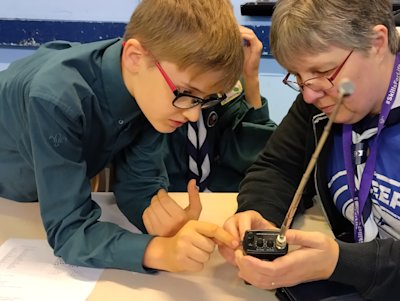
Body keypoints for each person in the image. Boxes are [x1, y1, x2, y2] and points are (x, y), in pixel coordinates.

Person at [0, 0, 243, 273]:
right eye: (187, 93)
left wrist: (159, 220)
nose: (193, 116)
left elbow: (137, 185)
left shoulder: (151, 90)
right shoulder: (57, 98)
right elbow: (69, 232)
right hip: (12, 197)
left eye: (205, 100)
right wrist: (159, 251)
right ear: (135, 57)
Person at [218, 0, 400, 300]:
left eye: (323, 71)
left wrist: (342, 263)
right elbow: (278, 167)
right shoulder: (321, 99)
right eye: (297, 76)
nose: (310, 94)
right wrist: (258, 213)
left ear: (377, 42)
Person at [162, 26, 277, 194]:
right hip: (170, 197)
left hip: (222, 198)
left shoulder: (227, 89)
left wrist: (250, 78)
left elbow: (258, 160)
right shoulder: (157, 96)